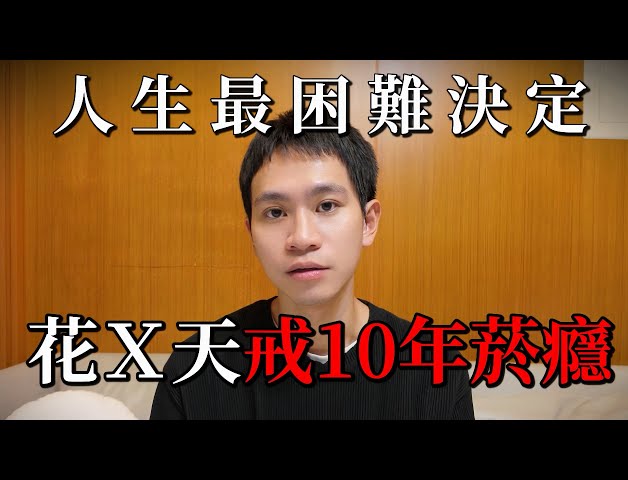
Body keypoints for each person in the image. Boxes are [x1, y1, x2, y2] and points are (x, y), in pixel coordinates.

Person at [149, 109, 475, 420]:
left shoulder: (436, 369)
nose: (302, 238)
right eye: (275, 212)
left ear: (368, 222)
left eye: (327, 205)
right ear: (251, 234)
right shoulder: (196, 369)